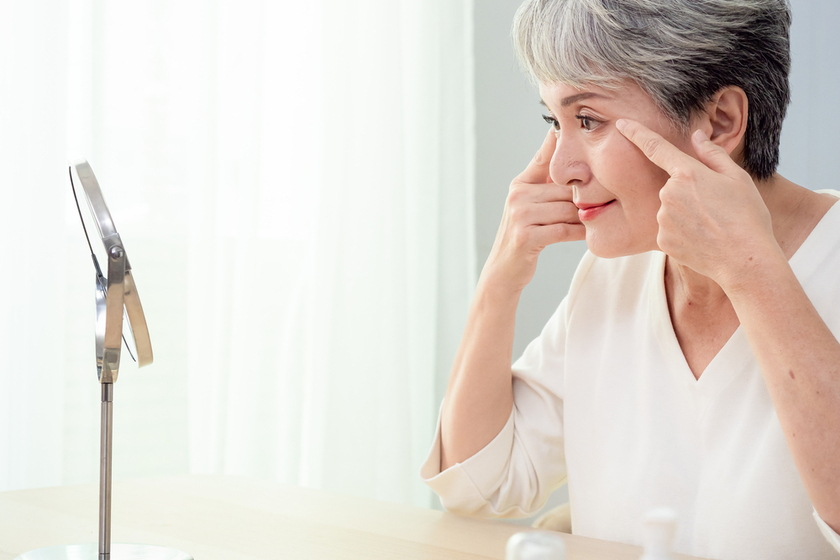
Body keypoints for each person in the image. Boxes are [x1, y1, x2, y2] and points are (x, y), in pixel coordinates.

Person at [420, 1, 840, 559]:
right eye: (554, 122)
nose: (561, 168)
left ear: (719, 123)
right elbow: (480, 481)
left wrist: (751, 273)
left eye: (588, 120)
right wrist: (501, 275)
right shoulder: (613, 275)